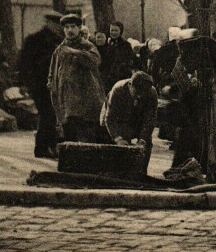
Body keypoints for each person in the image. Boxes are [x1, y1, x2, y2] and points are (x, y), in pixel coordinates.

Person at [48, 14, 105, 143]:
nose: (70, 30)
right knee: (69, 133)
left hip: (85, 98)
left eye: (73, 27)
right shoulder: (59, 49)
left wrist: (74, 52)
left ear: (79, 28)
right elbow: (53, 69)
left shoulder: (87, 46)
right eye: (66, 27)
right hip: (67, 98)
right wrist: (51, 81)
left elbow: (95, 60)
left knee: (86, 133)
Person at [19, 11, 64, 158]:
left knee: (51, 115)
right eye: (56, 24)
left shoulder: (60, 40)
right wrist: (27, 84)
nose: (59, 27)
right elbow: (24, 64)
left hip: (56, 85)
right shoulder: (35, 40)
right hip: (40, 85)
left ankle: (46, 147)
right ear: (49, 23)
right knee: (48, 115)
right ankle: (43, 148)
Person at [101, 71, 158, 174]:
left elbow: (150, 119)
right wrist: (118, 139)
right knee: (116, 144)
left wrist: (142, 140)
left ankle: (141, 173)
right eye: (137, 93)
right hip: (118, 119)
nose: (140, 97)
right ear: (130, 85)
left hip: (137, 118)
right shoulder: (118, 90)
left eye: (143, 94)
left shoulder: (151, 93)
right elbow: (110, 119)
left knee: (147, 143)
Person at [103, 21, 137, 94]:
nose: (113, 32)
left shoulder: (126, 45)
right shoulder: (106, 45)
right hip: (108, 78)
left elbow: (130, 60)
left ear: (120, 31)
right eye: (112, 30)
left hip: (121, 76)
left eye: (116, 30)